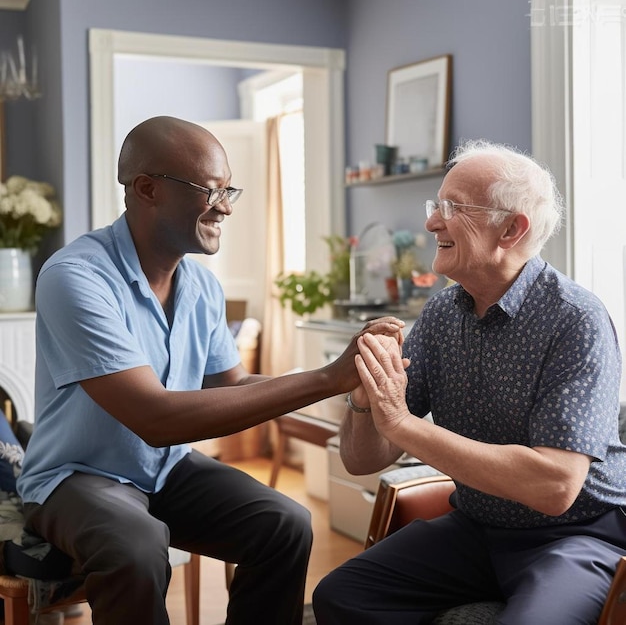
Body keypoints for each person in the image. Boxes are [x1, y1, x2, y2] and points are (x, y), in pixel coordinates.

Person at [16, 116, 405, 625]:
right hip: (75, 477)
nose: (224, 206)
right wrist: (324, 379)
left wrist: (342, 378)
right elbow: (155, 419)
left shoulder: (200, 287)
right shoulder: (75, 277)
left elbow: (236, 386)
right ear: (147, 189)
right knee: (136, 545)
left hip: (166, 470)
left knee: (286, 523)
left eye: (229, 190)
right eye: (210, 190)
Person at [313, 140, 626, 625]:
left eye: (452, 208)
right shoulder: (441, 313)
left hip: (577, 533)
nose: (432, 222)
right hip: (476, 527)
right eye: (435, 206)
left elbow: (555, 486)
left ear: (511, 228)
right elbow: (361, 459)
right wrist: (365, 396)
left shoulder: (575, 319)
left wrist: (398, 420)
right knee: (342, 595)